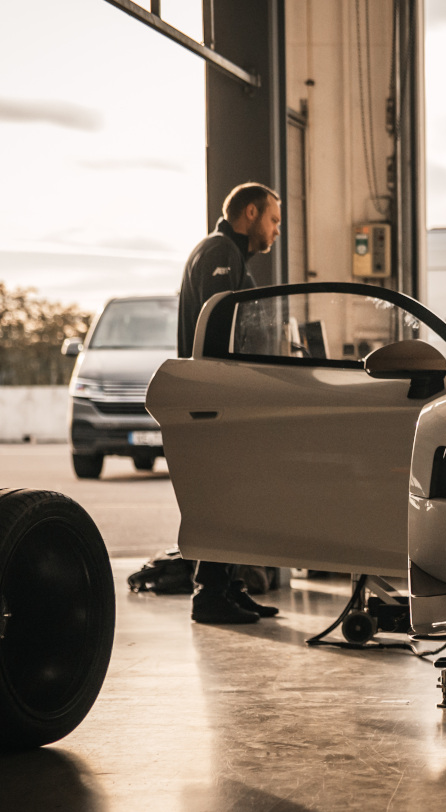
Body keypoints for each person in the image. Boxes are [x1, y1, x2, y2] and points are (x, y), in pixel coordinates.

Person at [176, 182, 282, 625]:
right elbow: (218, 325)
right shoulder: (220, 252)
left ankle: (230, 587)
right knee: (223, 493)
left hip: (226, 392)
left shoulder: (231, 255)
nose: (276, 230)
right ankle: (209, 595)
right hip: (216, 395)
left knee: (237, 491)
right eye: (274, 219)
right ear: (251, 213)